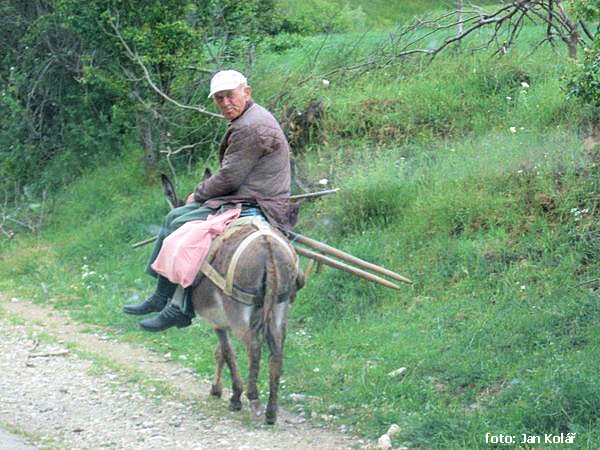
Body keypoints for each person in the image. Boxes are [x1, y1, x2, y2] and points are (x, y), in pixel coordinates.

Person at [123, 69, 293, 332]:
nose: (225, 103)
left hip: (257, 201)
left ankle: (180, 306)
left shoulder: (250, 127)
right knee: (173, 218)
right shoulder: (250, 118)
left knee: (185, 227)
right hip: (249, 193)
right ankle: (161, 295)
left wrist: (199, 194)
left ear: (246, 92)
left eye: (230, 96)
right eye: (219, 98)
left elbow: (229, 178)